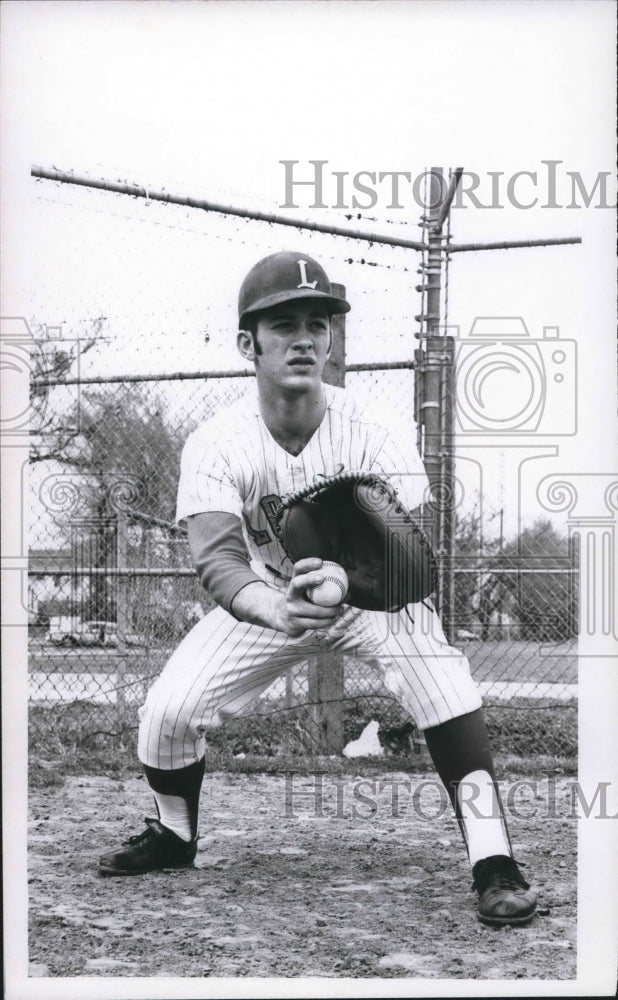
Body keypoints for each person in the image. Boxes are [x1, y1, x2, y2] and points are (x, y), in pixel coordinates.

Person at [98, 251, 537, 927]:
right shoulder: (217, 442)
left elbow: (414, 567)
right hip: (268, 596)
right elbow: (217, 561)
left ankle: (494, 861)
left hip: (374, 598)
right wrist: (277, 606)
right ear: (249, 344)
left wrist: (348, 579)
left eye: (316, 323)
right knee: (167, 712)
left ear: (331, 340)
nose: (303, 337)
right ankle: (173, 835)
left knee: (444, 683)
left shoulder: (375, 426)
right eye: (282, 325)